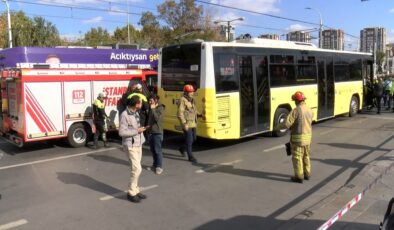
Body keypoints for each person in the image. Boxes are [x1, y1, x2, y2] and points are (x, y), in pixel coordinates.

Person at [277, 91, 313, 183]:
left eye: (294, 100)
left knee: (297, 157)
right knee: (306, 156)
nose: (294, 102)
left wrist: (277, 127)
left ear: (297, 101)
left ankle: (299, 176)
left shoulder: (296, 111)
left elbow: (286, 123)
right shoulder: (309, 110)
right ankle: (307, 174)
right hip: (308, 138)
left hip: (298, 139)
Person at [118, 95, 147, 203]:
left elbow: (136, 127)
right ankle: (131, 192)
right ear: (136, 104)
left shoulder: (135, 112)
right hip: (130, 145)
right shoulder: (124, 115)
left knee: (136, 169)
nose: (142, 104)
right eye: (140, 102)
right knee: (137, 169)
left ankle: (135, 189)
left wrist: (141, 130)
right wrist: (137, 131)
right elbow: (121, 132)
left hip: (138, 143)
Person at [177, 84, 202, 164]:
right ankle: (191, 156)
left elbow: (193, 110)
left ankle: (182, 148)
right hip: (187, 124)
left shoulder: (191, 99)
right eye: (190, 92)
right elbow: (180, 113)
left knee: (194, 139)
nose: (192, 93)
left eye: (192, 91)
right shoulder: (183, 100)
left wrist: (200, 115)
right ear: (186, 92)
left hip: (193, 123)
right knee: (189, 140)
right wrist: (184, 124)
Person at [147, 95, 165, 174]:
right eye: (149, 101)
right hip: (151, 132)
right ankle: (154, 165)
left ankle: (159, 166)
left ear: (156, 100)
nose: (150, 102)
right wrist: (148, 127)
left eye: (151, 100)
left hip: (157, 132)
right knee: (153, 150)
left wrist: (153, 109)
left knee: (158, 150)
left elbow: (157, 118)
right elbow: (150, 119)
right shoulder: (151, 108)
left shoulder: (160, 108)